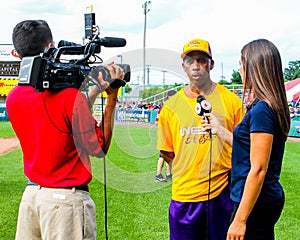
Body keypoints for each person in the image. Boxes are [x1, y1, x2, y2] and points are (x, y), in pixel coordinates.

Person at [6, 20, 125, 240]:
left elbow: (62, 118)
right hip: (65, 203)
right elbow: (99, 148)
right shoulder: (69, 98)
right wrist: (111, 97)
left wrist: (88, 94)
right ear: (51, 47)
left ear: (17, 53)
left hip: (31, 198)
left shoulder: (13, 98)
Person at [156, 38, 244, 240]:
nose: (195, 66)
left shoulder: (232, 102)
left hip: (223, 194)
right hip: (184, 196)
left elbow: (244, 147)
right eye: (190, 61)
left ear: (211, 64)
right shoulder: (171, 106)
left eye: (201, 60)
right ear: (183, 66)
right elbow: (167, 152)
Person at [226, 39, 290, 240]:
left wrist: (240, 220)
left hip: (256, 202)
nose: (240, 70)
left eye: (242, 64)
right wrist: (218, 130)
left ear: (254, 67)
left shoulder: (262, 109)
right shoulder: (267, 106)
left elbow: (259, 169)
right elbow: (247, 148)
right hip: (262, 199)